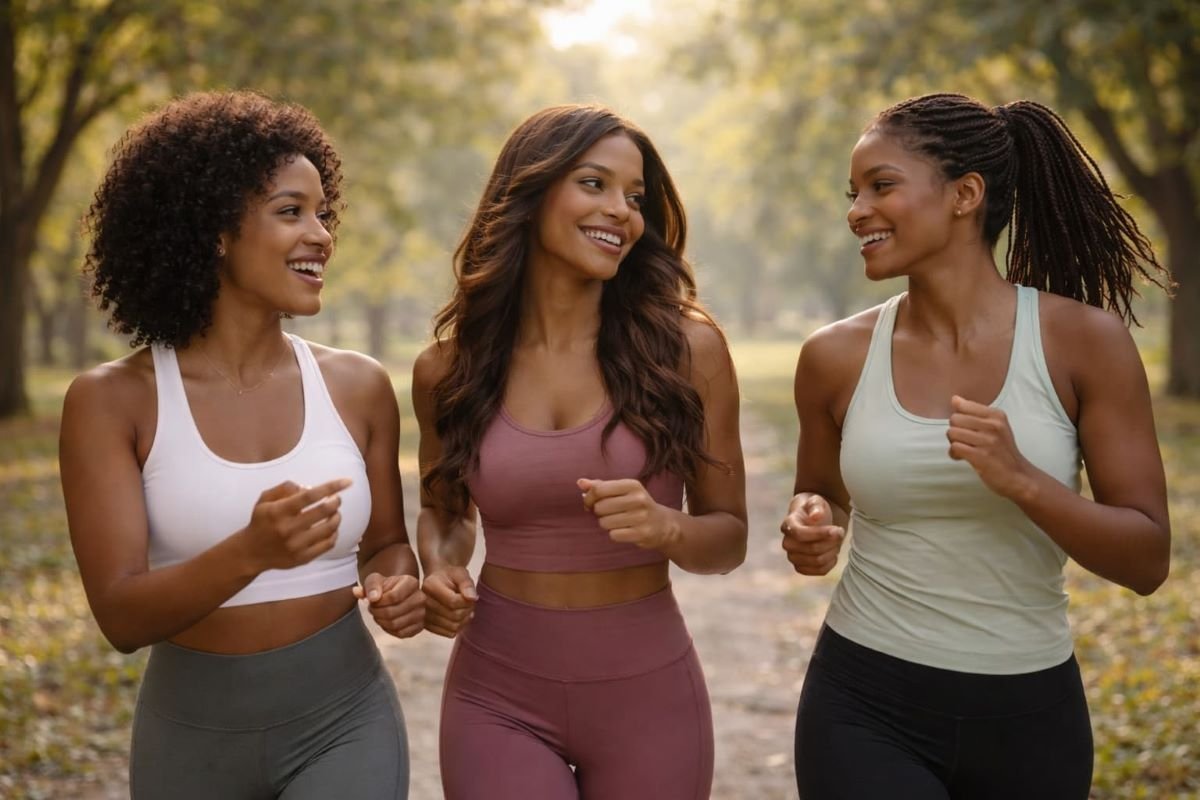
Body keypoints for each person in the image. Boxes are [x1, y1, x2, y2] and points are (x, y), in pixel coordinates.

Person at [779, 92, 1172, 800]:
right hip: (863, 704)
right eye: (853, 192)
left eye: (882, 186)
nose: (856, 210)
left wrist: (1023, 479)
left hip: (1030, 717)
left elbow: (1146, 560)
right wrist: (813, 520)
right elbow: (822, 491)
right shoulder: (833, 357)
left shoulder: (1084, 343)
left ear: (964, 195)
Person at [60, 91, 422, 799]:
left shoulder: (359, 386)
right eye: (291, 212)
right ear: (214, 231)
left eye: (323, 212)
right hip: (188, 737)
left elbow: (386, 545)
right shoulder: (112, 401)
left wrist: (396, 583)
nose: (320, 234)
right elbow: (121, 617)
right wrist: (251, 552)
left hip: (345, 722)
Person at [412, 104, 748, 800]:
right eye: (595, 183)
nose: (621, 211)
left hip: (648, 697)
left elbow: (729, 538)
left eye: (635, 197)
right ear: (530, 193)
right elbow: (445, 513)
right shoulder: (449, 370)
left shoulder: (688, 351)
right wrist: (440, 568)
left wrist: (670, 527)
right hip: (495, 697)